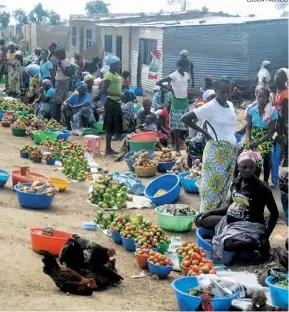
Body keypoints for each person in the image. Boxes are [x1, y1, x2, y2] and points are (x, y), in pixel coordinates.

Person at [195, 151, 279, 261]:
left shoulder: (262, 188)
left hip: (250, 226)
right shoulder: (236, 184)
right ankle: (230, 236)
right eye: (244, 167)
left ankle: (256, 244)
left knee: (228, 244)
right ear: (238, 167)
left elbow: (274, 213)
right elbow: (227, 207)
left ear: (255, 167)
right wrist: (209, 212)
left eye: (251, 167)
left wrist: (266, 235)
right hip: (230, 221)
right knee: (200, 220)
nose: (248, 170)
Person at [181, 76, 237, 212]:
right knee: (212, 189)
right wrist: (205, 133)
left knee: (223, 189)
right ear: (216, 90)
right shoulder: (210, 106)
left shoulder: (230, 105)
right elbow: (185, 118)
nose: (225, 95)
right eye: (222, 92)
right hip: (216, 153)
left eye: (228, 92)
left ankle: (217, 220)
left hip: (229, 153)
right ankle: (205, 218)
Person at [244, 88, 278, 184]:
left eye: (263, 96)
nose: (261, 98)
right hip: (253, 135)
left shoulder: (272, 112)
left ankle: (264, 181)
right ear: (256, 97)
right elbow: (248, 127)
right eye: (259, 96)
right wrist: (248, 140)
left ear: (268, 98)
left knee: (259, 155)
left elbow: (270, 132)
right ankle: (245, 178)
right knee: (243, 153)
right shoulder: (252, 110)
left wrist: (256, 143)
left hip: (265, 137)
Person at [157, 58, 190, 156]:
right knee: (176, 126)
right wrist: (169, 89)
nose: (188, 68)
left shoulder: (187, 75)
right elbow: (158, 82)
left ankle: (187, 145)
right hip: (176, 101)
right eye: (187, 66)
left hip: (185, 101)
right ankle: (177, 149)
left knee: (186, 123)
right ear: (181, 66)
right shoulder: (174, 75)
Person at [102, 56, 124, 155]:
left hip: (117, 102)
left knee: (115, 124)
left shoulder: (116, 74)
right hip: (111, 102)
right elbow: (104, 90)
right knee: (109, 125)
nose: (119, 65)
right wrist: (117, 94)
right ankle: (108, 148)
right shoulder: (109, 75)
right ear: (112, 65)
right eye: (117, 64)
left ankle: (109, 148)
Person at [274, 68, 288, 167]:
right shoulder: (278, 92)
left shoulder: (286, 94)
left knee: (285, 140)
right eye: (276, 74)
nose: (276, 76)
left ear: (285, 79)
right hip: (280, 121)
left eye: (279, 75)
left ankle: (285, 161)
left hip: (285, 123)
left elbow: (285, 114)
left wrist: (281, 131)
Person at [54, 48, 70, 121]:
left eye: (56, 55)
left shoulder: (66, 61)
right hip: (58, 82)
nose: (55, 56)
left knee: (64, 101)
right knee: (57, 101)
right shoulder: (58, 61)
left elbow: (66, 73)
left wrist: (60, 65)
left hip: (63, 82)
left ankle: (64, 119)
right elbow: (56, 71)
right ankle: (57, 118)